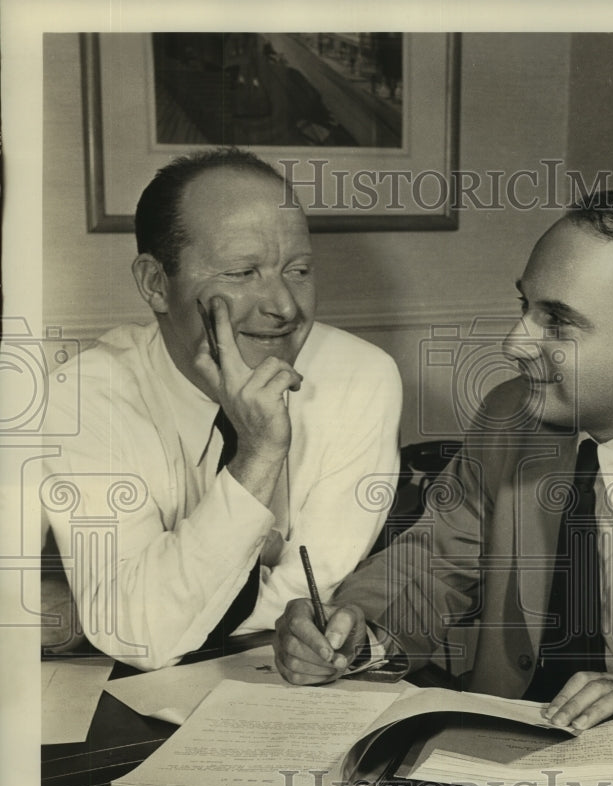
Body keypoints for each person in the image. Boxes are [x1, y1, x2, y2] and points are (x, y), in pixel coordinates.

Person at [274, 187, 613, 741]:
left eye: (557, 323)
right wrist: (354, 632)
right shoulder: (510, 416)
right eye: (524, 307)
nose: (515, 342)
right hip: (503, 775)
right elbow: (430, 565)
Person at [41, 148, 402, 669]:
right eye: (242, 272)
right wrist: (258, 454)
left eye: (297, 270)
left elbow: (308, 598)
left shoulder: (362, 378)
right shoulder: (83, 396)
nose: (284, 306)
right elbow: (138, 635)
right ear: (155, 283)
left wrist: (140, 603)